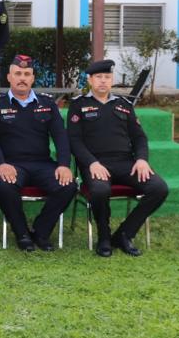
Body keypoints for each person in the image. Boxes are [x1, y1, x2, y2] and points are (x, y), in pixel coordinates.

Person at [67, 59, 169, 257]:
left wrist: (141, 159)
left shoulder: (124, 105)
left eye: (107, 77)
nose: (103, 81)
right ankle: (104, 237)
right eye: (98, 77)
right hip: (95, 164)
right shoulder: (79, 105)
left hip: (126, 163)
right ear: (90, 80)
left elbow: (139, 137)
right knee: (100, 190)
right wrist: (92, 163)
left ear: (112, 80)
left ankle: (124, 234)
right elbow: (74, 141)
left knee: (159, 188)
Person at [0, 55, 76, 252]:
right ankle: (22, 233)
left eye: (26, 74)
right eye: (18, 74)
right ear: (9, 77)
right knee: (4, 186)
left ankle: (41, 232)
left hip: (42, 164)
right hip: (11, 164)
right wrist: (0, 164)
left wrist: (63, 165)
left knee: (68, 186)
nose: (22, 78)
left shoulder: (47, 104)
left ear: (32, 78)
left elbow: (61, 137)